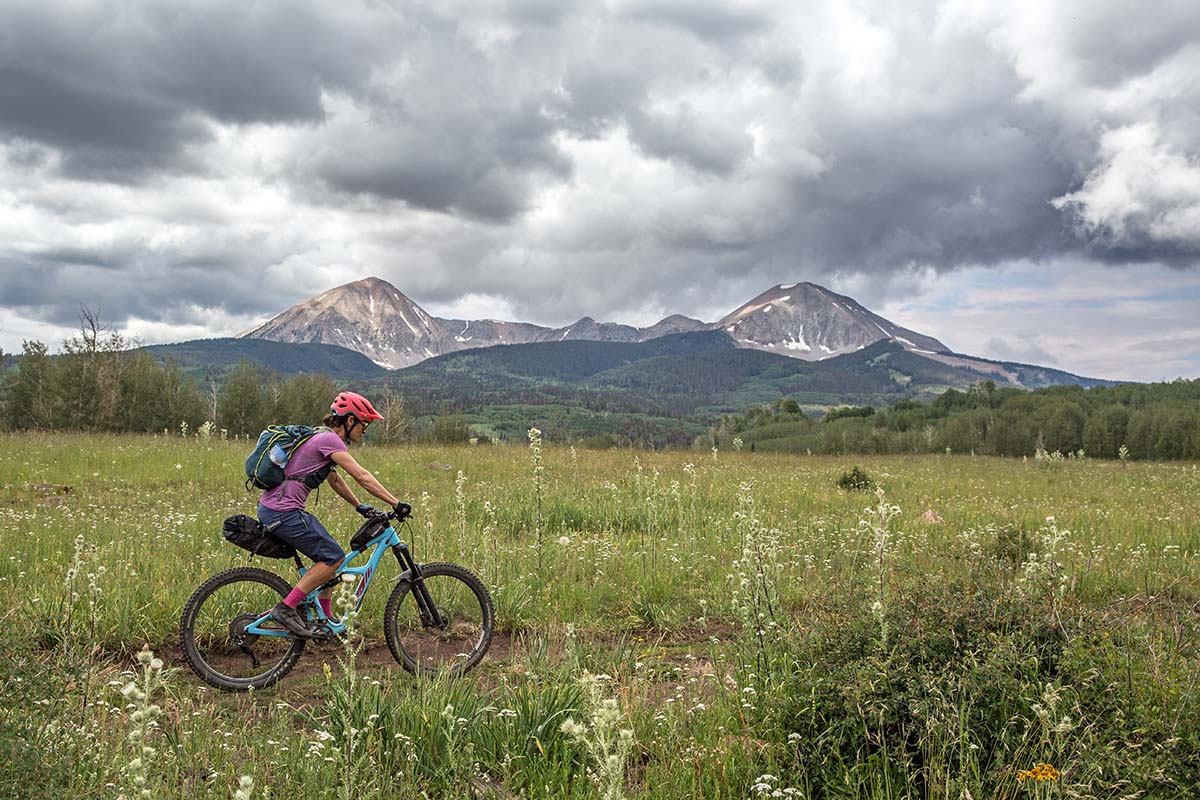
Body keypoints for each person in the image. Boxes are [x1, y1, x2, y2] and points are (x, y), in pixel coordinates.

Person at [258, 391, 408, 637]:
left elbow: (334, 479)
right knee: (333, 557)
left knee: (330, 556)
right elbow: (361, 476)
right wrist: (396, 502)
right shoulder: (330, 441)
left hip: (277, 509)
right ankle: (285, 609)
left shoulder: (320, 436)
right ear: (350, 421)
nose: (365, 430)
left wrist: (359, 506)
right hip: (283, 512)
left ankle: (326, 620)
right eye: (364, 424)